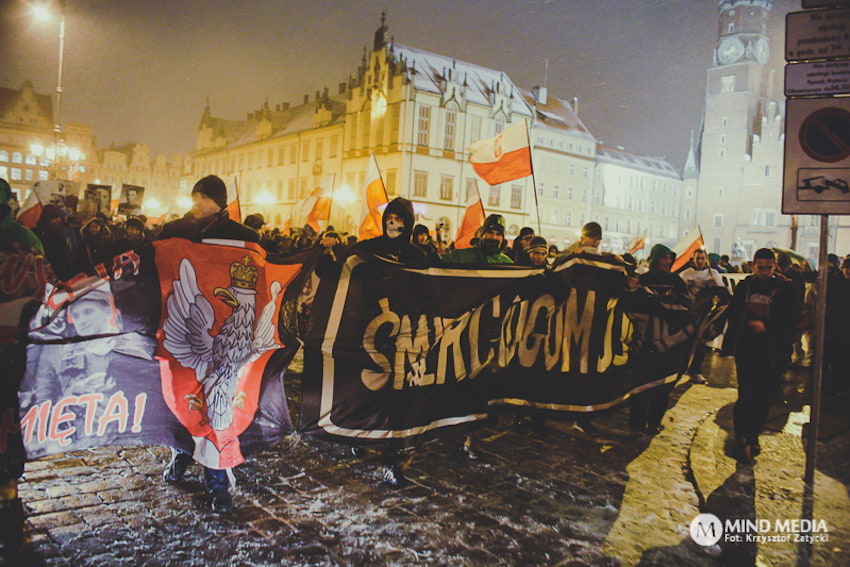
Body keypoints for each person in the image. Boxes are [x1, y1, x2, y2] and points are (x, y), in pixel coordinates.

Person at [156, 175, 258, 514]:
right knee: (185, 404)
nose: (197, 202)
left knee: (217, 412)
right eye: (195, 196)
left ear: (219, 201)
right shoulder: (174, 230)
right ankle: (180, 455)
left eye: (204, 197)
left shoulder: (244, 238)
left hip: (225, 348)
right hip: (184, 334)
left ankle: (217, 485)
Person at [0, 179, 46, 556]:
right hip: (16, 344)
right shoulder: (27, 239)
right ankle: (9, 489)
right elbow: (44, 288)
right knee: (10, 411)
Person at [721, 248, 800, 463]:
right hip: (748, 349)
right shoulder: (745, 287)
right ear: (753, 266)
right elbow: (735, 315)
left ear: (775, 267)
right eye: (760, 267)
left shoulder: (785, 289)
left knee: (764, 397)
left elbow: (790, 319)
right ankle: (741, 438)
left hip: (773, 352)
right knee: (746, 394)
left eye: (768, 267)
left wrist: (766, 326)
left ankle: (753, 435)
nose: (764, 271)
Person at [629, 244, 688, 435]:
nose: (667, 262)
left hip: (669, 343)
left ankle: (654, 422)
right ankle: (636, 424)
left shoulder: (676, 281)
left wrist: (660, 306)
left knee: (663, 386)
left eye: (669, 259)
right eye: (663, 258)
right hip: (644, 343)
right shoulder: (643, 280)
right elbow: (635, 307)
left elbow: (685, 307)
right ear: (655, 259)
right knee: (640, 386)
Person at [679, 249, 724, 383]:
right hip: (688, 312)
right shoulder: (685, 274)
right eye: (697, 258)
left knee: (701, 343)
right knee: (684, 342)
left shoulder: (713, 274)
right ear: (693, 258)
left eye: (702, 258)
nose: (700, 261)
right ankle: (680, 369)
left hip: (705, 314)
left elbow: (722, 292)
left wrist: (715, 286)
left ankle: (695, 370)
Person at [442, 214, 513, 265]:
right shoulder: (461, 256)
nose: (494, 237)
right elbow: (438, 263)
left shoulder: (508, 264)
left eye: (498, 234)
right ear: (482, 234)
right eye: (490, 232)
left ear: (503, 238)